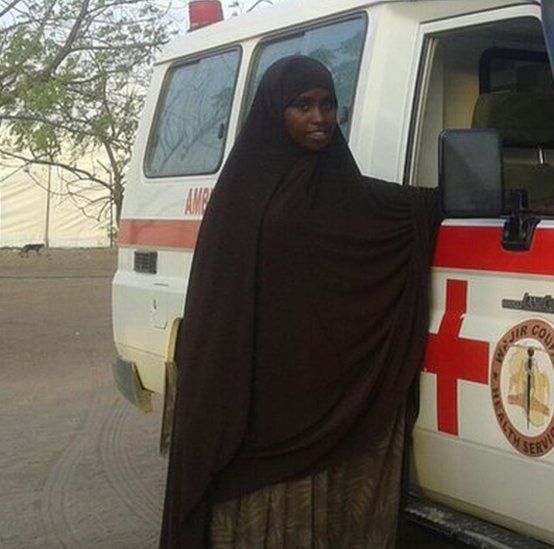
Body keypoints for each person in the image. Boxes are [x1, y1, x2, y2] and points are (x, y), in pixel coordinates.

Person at [160, 55, 441, 549]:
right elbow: (220, 308)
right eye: (302, 105)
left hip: (321, 386)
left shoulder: (341, 187)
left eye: (328, 104)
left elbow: (401, 213)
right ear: (274, 112)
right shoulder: (243, 192)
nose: (320, 118)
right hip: (262, 398)